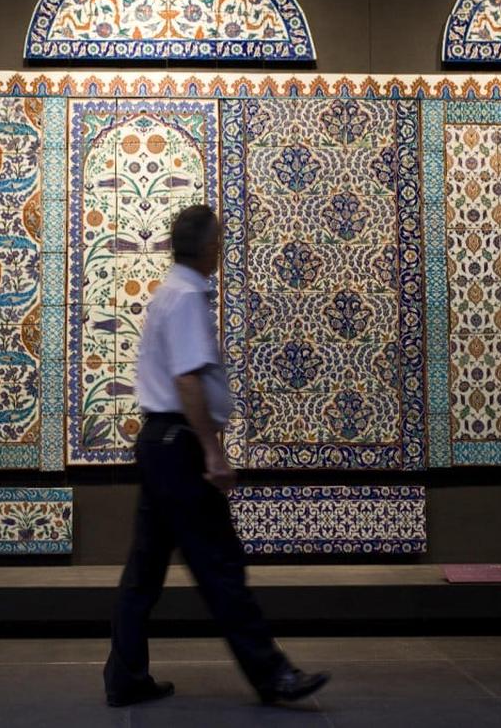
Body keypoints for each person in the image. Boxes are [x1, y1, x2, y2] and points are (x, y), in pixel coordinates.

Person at [103, 204, 330, 708]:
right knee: (220, 564)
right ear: (209, 248)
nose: (222, 248)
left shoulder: (169, 293)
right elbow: (187, 379)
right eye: (221, 241)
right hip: (179, 446)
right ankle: (273, 675)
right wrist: (213, 451)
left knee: (144, 571)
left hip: (159, 444)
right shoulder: (186, 297)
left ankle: (125, 677)